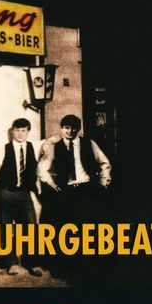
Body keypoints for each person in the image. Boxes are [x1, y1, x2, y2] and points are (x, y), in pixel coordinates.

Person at [37, 114, 112, 280]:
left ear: (78, 129)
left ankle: (87, 268)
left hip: (86, 191)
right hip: (66, 193)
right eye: (66, 128)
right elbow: (41, 168)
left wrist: (103, 181)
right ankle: (67, 268)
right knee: (67, 231)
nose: (69, 131)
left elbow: (104, 162)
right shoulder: (54, 147)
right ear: (61, 128)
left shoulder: (89, 143)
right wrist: (51, 183)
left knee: (87, 230)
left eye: (73, 128)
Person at [0, 118, 43, 277]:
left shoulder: (33, 147)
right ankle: (12, 264)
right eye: (17, 130)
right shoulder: (4, 148)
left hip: (24, 194)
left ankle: (32, 263)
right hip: (5, 193)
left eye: (23, 130)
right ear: (12, 131)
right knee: (6, 229)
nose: (20, 134)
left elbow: (51, 139)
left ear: (28, 132)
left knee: (30, 228)